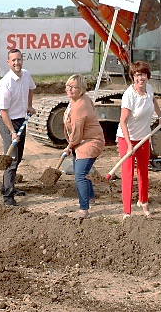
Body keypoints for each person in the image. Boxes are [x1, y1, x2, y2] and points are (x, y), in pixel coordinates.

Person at [116, 61, 161, 219]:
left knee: (143, 171)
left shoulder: (150, 89)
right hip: (127, 138)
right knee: (128, 173)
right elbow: (123, 122)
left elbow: (153, 101)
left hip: (144, 136)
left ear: (147, 76)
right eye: (137, 75)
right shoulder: (129, 95)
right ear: (133, 77)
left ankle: (143, 202)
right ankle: (127, 211)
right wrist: (128, 145)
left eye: (143, 74)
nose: (141, 78)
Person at [0, 48, 36, 206]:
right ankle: (8, 196)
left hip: (21, 120)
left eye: (19, 59)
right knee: (11, 159)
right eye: (13, 60)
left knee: (18, 157)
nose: (17, 63)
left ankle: (8, 185)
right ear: (8, 63)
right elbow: (3, 112)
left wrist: (29, 106)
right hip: (8, 123)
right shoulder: (4, 85)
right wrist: (12, 132)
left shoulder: (26, 74)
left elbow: (31, 88)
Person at [63, 74, 105, 219]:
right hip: (81, 142)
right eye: (68, 86)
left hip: (91, 142)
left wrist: (69, 146)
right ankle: (90, 197)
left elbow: (77, 130)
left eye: (73, 87)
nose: (69, 89)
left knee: (80, 175)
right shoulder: (75, 100)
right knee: (80, 172)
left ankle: (84, 210)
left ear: (81, 89)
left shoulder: (81, 105)